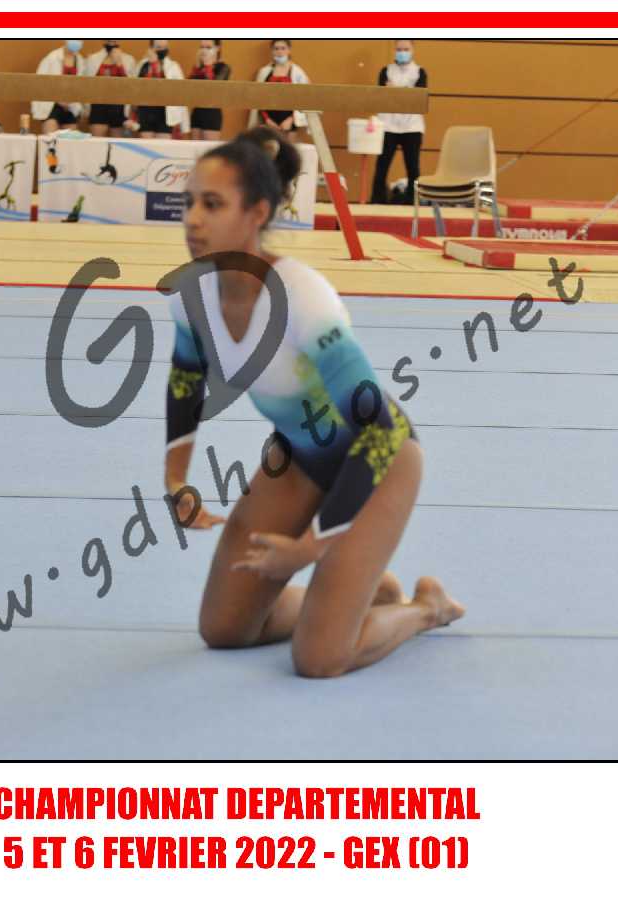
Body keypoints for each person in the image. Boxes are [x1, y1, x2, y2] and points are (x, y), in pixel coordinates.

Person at [165, 127, 464, 678]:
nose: (193, 220)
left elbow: (378, 429)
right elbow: (186, 381)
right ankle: (363, 596)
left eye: (212, 204)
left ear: (256, 213)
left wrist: (310, 547)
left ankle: (426, 607)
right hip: (301, 458)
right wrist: (176, 480)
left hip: (378, 460)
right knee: (224, 629)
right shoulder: (192, 295)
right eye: (189, 203)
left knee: (320, 658)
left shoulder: (302, 298)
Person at [371, 40, 429, 205]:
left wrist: (395, 90)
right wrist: (405, 91)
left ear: (412, 50)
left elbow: (418, 98)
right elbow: (381, 95)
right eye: (399, 49)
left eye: (406, 49)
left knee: (413, 168)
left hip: (412, 126)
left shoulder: (420, 72)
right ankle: (377, 200)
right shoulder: (386, 71)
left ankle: (412, 201)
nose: (402, 52)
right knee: (382, 166)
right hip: (388, 125)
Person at [247, 40, 310, 144]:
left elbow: (304, 99)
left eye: (283, 48)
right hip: (268, 122)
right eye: (276, 49)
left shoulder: (297, 72)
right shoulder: (264, 72)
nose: (279, 52)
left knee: (288, 151)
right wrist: (267, 120)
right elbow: (259, 98)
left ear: (289, 50)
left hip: (289, 122)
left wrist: (291, 120)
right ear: (272, 51)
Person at [130, 40, 187, 139]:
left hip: (165, 113)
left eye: (164, 47)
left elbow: (179, 91)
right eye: (159, 47)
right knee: (146, 144)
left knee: (163, 144)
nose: (162, 50)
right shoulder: (143, 65)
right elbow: (136, 87)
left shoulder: (173, 66)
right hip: (146, 111)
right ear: (151, 48)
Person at [84, 40, 136, 137]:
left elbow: (130, 86)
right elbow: (88, 85)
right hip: (98, 105)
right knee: (97, 142)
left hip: (118, 107)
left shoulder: (129, 59)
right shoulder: (93, 58)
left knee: (116, 143)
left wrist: (119, 64)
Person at [33, 40, 86, 134]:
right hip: (51, 105)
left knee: (71, 139)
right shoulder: (52, 57)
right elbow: (40, 83)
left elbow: (81, 85)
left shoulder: (80, 60)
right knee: (50, 138)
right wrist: (57, 98)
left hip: (70, 106)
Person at [188, 39, 230, 141]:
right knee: (193, 147)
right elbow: (189, 88)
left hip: (212, 112)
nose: (204, 50)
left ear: (217, 48)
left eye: (208, 47)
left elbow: (214, 88)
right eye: (202, 47)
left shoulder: (223, 67)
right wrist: (197, 67)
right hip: (197, 111)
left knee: (209, 147)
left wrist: (208, 66)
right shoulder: (198, 67)